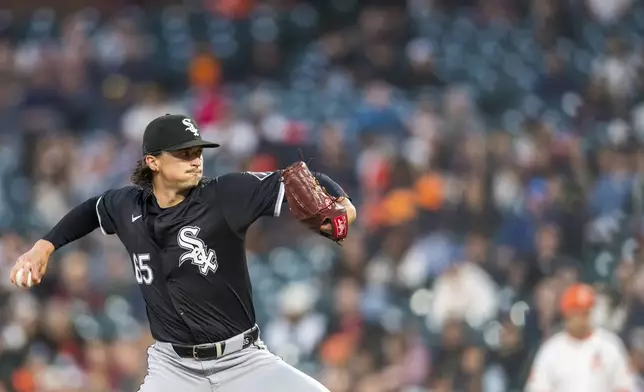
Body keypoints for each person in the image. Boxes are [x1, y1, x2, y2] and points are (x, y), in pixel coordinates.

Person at [9, 114, 357, 392]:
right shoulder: (126, 206)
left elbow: (300, 179)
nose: (196, 161)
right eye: (184, 153)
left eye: (198, 152)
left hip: (244, 362)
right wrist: (45, 246)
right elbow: (90, 210)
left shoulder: (225, 196)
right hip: (173, 369)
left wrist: (342, 202)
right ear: (153, 162)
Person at [525, 283, 636, 392]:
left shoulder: (609, 344)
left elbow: (625, 386)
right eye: (575, 312)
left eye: (584, 312)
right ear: (566, 314)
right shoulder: (551, 349)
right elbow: (538, 387)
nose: (579, 318)